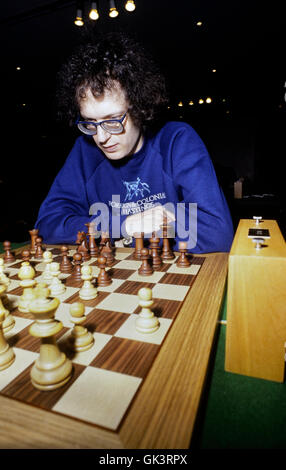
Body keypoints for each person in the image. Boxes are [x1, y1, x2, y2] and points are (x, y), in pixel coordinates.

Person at [35, 32, 233, 253]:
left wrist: (116, 235)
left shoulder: (176, 141)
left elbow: (218, 235)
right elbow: (46, 226)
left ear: (139, 107)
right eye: (90, 122)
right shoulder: (84, 150)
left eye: (112, 120)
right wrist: (125, 225)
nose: (101, 137)